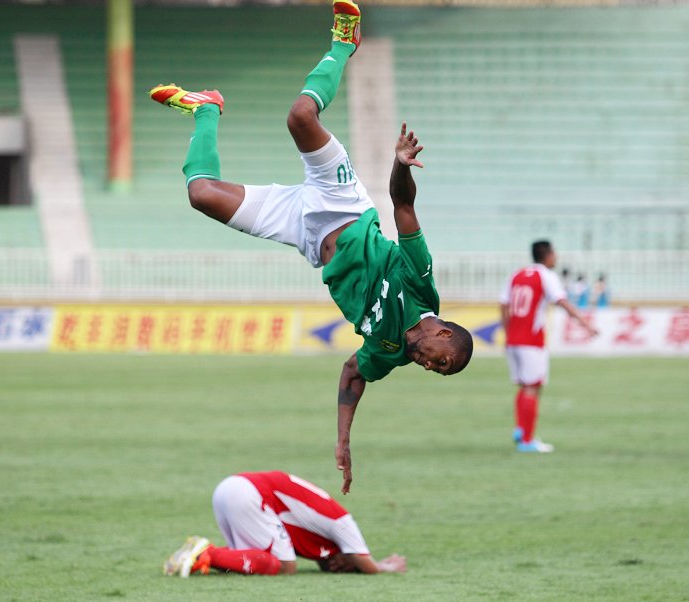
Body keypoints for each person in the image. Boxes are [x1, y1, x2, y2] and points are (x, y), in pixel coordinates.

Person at [149, 0, 473, 492]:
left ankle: (206, 109)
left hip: (304, 233)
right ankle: (344, 43)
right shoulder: (422, 285)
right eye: (441, 360)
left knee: (202, 195)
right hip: (342, 204)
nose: (430, 366)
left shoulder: (389, 353)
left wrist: (343, 440)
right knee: (300, 115)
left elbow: (351, 374)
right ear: (445, 335)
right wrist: (401, 165)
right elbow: (403, 210)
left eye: (436, 371)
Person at [163, 471, 407, 577]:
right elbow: (367, 564)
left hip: (231, 488)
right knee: (285, 566)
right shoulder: (344, 523)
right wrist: (386, 567)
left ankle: (193, 554)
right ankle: (207, 554)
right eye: (347, 566)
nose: (338, 568)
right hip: (249, 492)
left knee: (253, 558)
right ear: (349, 553)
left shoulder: (318, 539)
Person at [498, 240, 598, 453]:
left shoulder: (516, 274)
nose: (556, 257)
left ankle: (520, 429)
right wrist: (585, 323)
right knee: (533, 386)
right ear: (548, 255)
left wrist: (508, 332)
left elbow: (503, 304)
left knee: (525, 385)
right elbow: (561, 301)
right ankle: (527, 440)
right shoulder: (546, 276)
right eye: (555, 253)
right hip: (532, 341)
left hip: (513, 340)